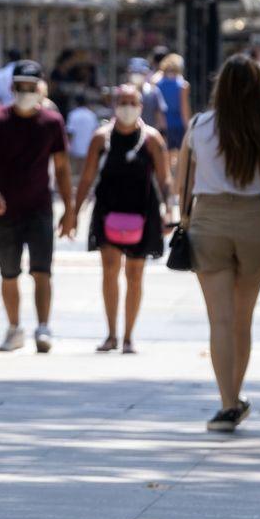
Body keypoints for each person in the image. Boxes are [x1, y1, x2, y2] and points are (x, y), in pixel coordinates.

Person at [176, 54, 260, 432]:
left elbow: (181, 183)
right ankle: (236, 395)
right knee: (243, 319)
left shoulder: (200, 125)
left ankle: (226, 404)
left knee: (218, 319)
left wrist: (182, 216)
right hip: (253, 220)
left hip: (209, 220)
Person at [0, 61, 75, 354]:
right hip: (5, 209)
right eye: (21, 86)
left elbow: (62, 168)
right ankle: (14, 327)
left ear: (40, 88)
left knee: (42, 270)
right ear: (12, 88)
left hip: (40, 208)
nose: (26, 92)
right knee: (8, 273)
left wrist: (70, 209)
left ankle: (43, 328)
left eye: (32, 87)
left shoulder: (52, 123)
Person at [67, 84, 171, 354]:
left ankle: (128, 337)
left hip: (143, 210)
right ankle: (111, 334)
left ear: (140, 105)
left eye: (132, 102)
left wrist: (169, 213)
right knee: (110, 269)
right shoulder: (101, 138)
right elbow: (87, 178)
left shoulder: (151, 139)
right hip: (108, 208)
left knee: (135, 273)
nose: (127, 106)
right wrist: (74, 213)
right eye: (122, 101)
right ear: (115, 105)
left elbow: (165, 179)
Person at [155, 53, 190, 177]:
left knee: (167, 155)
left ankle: (170, 182)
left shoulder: (157, 84)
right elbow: (184, 108)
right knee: (180, 156)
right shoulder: (183, 85)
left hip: (164, 124)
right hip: (179, 124)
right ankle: (177, 183)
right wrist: (188, 127)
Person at [64, 93, 99, 181]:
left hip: (75, 149)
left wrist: (67, 147)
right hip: (89, 148)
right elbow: (95, 131)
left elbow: (70, 132)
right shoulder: (92, 115)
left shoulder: (73, 114)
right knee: (85, 172)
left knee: (74, 174)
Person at [127, 57, 168, 130]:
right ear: (129, 73)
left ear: (146, 73)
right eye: (135, 72)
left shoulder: (153, 91)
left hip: (149, 136)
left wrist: (162, 133)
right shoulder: (123, 93)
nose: (137, 75)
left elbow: (160, 117)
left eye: (140, 72)